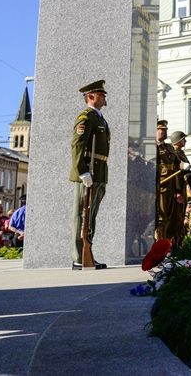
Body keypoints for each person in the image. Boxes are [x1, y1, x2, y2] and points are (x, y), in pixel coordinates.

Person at [70, 79, 110, 270]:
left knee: (91, 215)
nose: (104, 97)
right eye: (101, 94)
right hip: (89, 171)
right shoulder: (86, 117)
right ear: (90, 96)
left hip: (100, 171)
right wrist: (82, 171)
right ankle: (79, 256)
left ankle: (89, 254)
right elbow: (77, 146)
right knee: (82, 214)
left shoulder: (100, 118)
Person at [156, 120, 190, 244]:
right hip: (161, 186)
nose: (164, 132)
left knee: (171, 217)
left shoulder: (169, 147)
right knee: (161, 218)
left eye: (165, 130)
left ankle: (169, 245)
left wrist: (183, 165)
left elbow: (177, 164)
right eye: (162, 130)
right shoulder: (152, 147)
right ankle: (160, 246)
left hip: (171, 186)